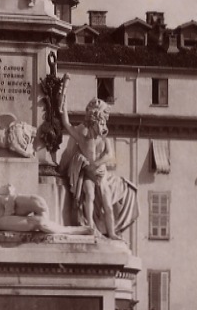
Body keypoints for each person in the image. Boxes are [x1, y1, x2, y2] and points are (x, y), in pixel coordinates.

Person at [58, 87, 138, 239]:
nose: (102, 127)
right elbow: (66, 123)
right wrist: (65, 102)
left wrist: (95, 164)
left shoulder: (103, 138)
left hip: (99, 173)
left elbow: (110, 155)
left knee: (107, 204)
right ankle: (90, 227)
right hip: (88, 174)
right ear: (93, 121)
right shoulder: (83, 137)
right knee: (89, 195)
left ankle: (112, 232)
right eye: (100, 123)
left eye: (103, 124)